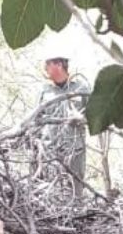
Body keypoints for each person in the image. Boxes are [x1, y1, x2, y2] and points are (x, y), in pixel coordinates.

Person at [38, 52, 90, 196]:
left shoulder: (82, 87)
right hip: (50, 149)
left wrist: (81, 118)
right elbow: (37, 119)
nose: (45, 69)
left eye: (47, 65)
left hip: (75, 149)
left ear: (59, 65)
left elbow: (95, 116)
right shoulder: (44, 90)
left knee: (75, 188)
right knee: (52, 189)